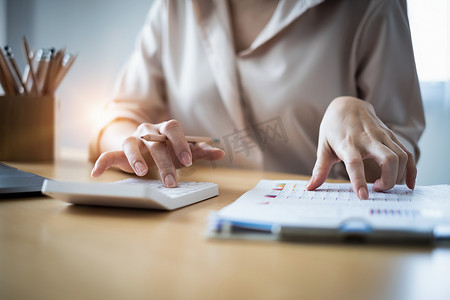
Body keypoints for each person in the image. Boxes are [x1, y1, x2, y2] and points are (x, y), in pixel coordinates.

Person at [89, 0, 425, 200]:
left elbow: (399, 154)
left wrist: (354, 116)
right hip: (191, 222)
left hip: (320, 233)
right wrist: (134, 144)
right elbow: (121, 112)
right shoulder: (174, 6)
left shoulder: (371, 6)